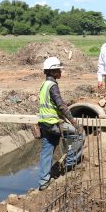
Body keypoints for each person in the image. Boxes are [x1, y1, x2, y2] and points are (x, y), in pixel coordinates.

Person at [38, 57, 84, 191]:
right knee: (79, 135)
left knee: (46, 151)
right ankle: (69, 164)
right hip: (53, 123)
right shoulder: (53, 86)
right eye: (59, 70)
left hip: (44, 124)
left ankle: (43, 182)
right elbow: (61, 106)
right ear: (52, 72)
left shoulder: (44, 84)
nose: (61, 72)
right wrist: (74, 123)